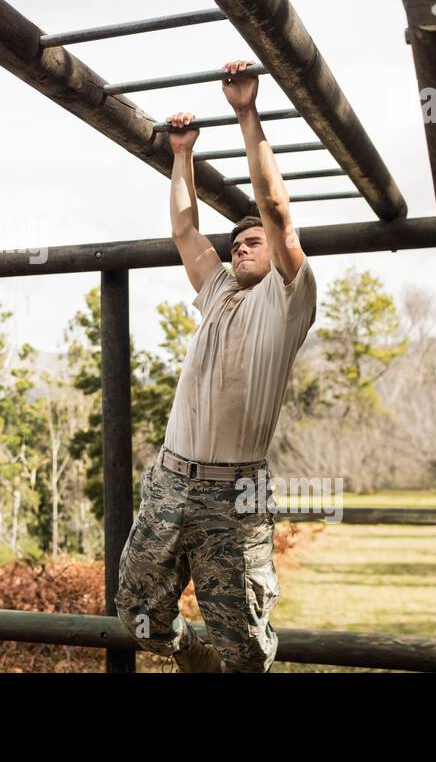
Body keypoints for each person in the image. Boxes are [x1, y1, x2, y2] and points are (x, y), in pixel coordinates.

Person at [114, 59, 319, 672]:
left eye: (250, 242)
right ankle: (190, 653)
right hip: (172, 478)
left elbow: (276, 210)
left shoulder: (288, 300)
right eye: (235, 244)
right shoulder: (220, 294)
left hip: (235, 493)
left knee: (245, 644)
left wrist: (245, 112)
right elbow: (184, 228)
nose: (239, 247)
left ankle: (222, 659)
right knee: (137, 609)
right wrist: (181, 152)